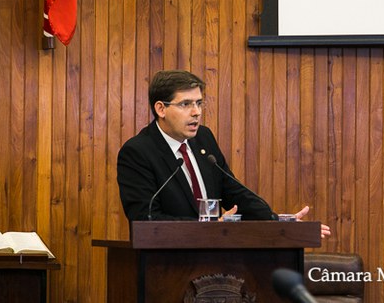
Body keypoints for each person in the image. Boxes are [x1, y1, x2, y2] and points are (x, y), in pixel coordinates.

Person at [117, 70, 331, 237]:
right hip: (165, 264)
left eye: (199, 103)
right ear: (161, 109)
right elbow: (146, 219)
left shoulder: (203, 138)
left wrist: (278, 223)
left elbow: (233, 192)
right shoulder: (138, 152)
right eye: (186, 104)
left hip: (216, 257)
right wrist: (208, 229)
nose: (196, 112)